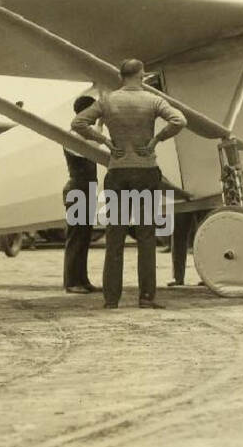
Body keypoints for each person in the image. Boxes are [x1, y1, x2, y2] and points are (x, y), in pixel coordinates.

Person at [71, 58, 187, 309]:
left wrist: (104, 141)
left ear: (121, 76)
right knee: (146, 236)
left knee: (115, 236)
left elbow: (78, 123)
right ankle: (146, 297)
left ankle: (111, 298)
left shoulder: (109, 100)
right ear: (142, 75)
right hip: (146, 171)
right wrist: (156, 140)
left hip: (118, 171)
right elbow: (179, 121)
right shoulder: (152, 100)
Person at [63, 95, 98, 294]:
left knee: (84, 236)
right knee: (76, 236)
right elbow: (91, 149)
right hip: (77, 191)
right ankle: (71, 282)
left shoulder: (83, 134)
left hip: (84, 190)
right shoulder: (73, 136)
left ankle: (82, 279)